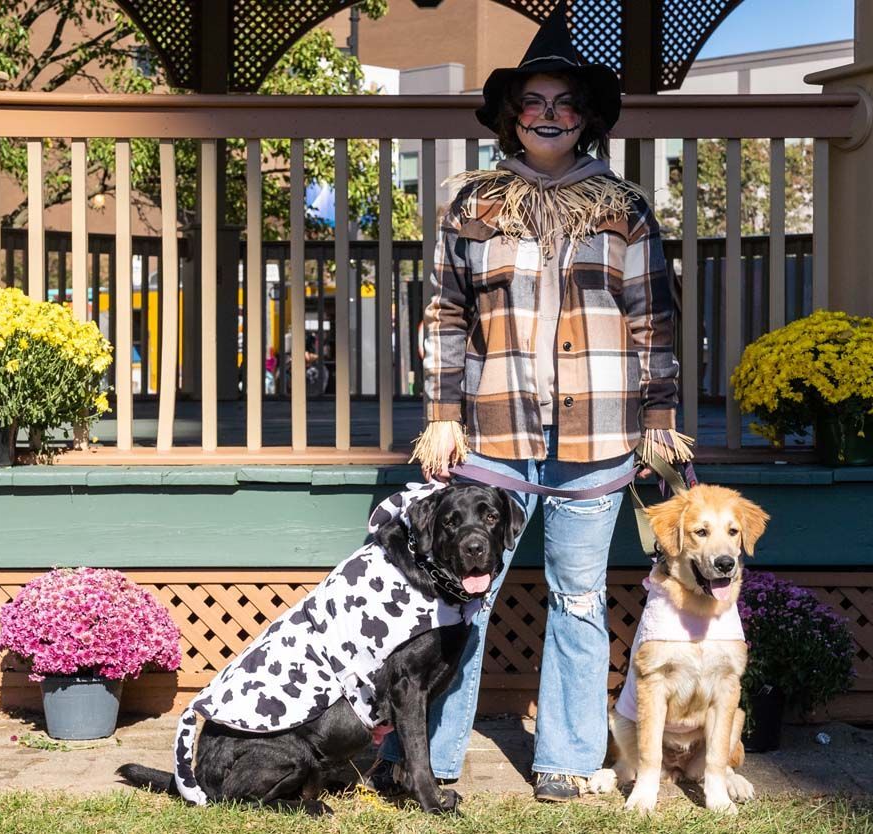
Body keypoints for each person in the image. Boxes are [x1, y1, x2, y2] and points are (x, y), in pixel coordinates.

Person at [381, 4, 691, 803]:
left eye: (564, 104)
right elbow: (444, 315)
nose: (549, 116)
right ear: (512, 117)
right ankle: (432, 758)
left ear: (585, 118)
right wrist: (442, 414)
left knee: (579, 598)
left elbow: (655, 318)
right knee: (465, 597)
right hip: (493, 432)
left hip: (601, 433)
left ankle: (566, 759)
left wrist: (660, 420)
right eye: (534, 103)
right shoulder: (473, 207)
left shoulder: (623, 208)